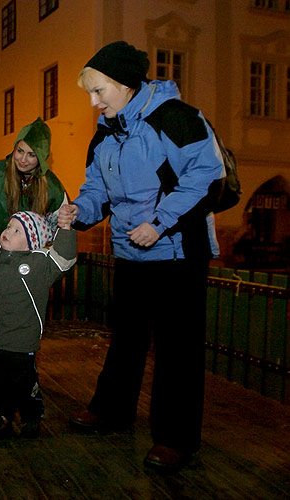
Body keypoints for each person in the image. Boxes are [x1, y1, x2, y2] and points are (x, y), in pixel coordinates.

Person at [59, 41, 225, 470]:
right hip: (132, 251)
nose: (94, 103)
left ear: (124, 84)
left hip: (177, 252)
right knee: (127, 338)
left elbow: (207, 175)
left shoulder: (175, 118)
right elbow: (97, 188)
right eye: (91, 94)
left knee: (177, 350)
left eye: (99, 92)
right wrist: (81, 211)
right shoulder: (107, 131)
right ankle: (112, 411)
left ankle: (176, 439)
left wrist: (161, 221)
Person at [0, 211, 76, 439]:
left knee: (24, 382)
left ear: (32, 243)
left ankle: (31, 415)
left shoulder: (40, 264)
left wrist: (66, 230)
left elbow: (64, 258)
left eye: (17, 231)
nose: (7, 232)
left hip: (20, 340)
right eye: (9, 226)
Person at [0, 116, 68, 237]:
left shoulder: (53, 188)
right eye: (20, 151)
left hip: (33, 255)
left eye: (31, 155)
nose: (23, 159)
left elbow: (57, 232)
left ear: (41, 158)